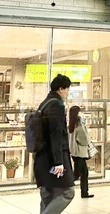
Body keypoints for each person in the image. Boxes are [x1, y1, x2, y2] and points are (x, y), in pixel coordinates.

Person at [34, 74, 75, 213]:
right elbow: (56, 134)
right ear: (61, 89)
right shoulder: (57, 105)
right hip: (53, 158)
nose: (68, 93)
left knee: (47, 195)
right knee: (67, 192)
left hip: (41, 158)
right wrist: (59, 162)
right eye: (67, 89)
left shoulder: (44, 103)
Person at [68, 105, 93, 199]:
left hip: (74, 151)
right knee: (79, 173)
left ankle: (84, 192)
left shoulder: (70, 123)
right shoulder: (79, 124)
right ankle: (64, 186)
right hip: (80, 152)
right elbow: (84, 139)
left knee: (82, 172)